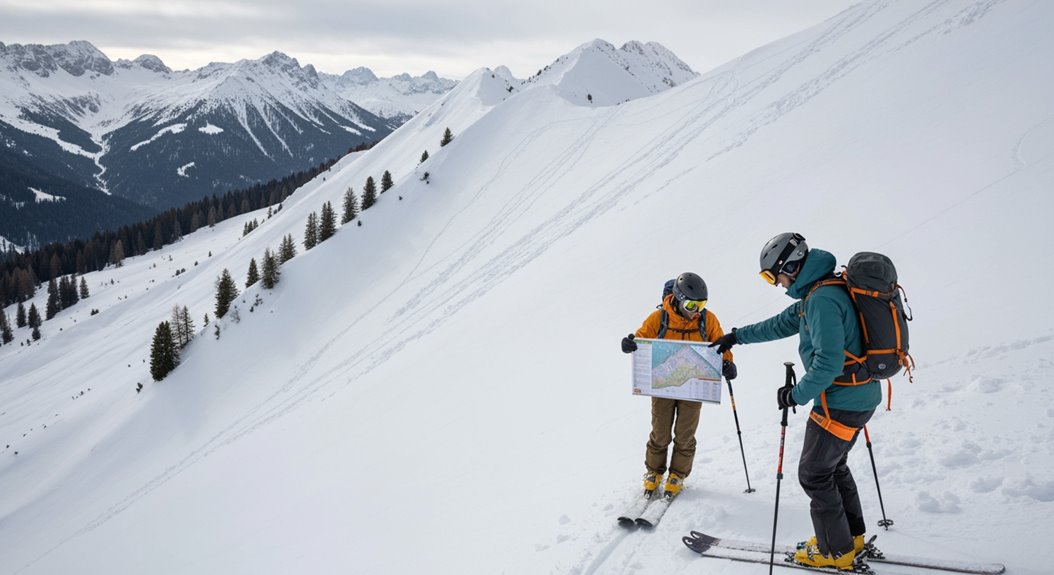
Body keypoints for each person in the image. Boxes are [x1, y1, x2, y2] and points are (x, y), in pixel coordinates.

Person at [709, 233, 881, 570]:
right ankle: (851, 538)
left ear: (791, 265)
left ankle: (836, 552)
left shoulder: (821, 300)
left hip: (840, 402)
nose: (775, 283)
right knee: (833, 467)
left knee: (814, 474)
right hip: (859, 396)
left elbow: (829, 362)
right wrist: (737, 336)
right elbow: (781, 323)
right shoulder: (821, 291)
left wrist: (795, 395)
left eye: (773, 275)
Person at [621, 272, 737, 497]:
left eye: (701, 304)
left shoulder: (707, 320)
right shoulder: (659, 318)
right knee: (660, 432)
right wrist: (630, 344)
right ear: (678, 298)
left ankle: (678, 474)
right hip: (663, 386)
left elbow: (721, 345)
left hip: (693, 387)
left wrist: (727, 364)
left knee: (685, 434)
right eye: (692, 304)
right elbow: (641, 338)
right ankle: (654, 472)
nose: (697, 310)